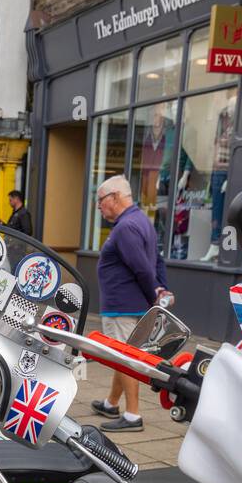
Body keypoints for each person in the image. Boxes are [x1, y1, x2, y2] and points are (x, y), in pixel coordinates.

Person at [91, 175, 171, 433]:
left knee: (124, 358)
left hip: (122, 305)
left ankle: (133, 415)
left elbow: (142, 268)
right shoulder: (140, 221)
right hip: (131, 303)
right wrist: (161, 289)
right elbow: (156, 261)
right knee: (122, 353)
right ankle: (111, 403)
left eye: (100, 200)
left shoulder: (126, 227)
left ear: (114, 197)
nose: (99, 206)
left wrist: (154, 293)